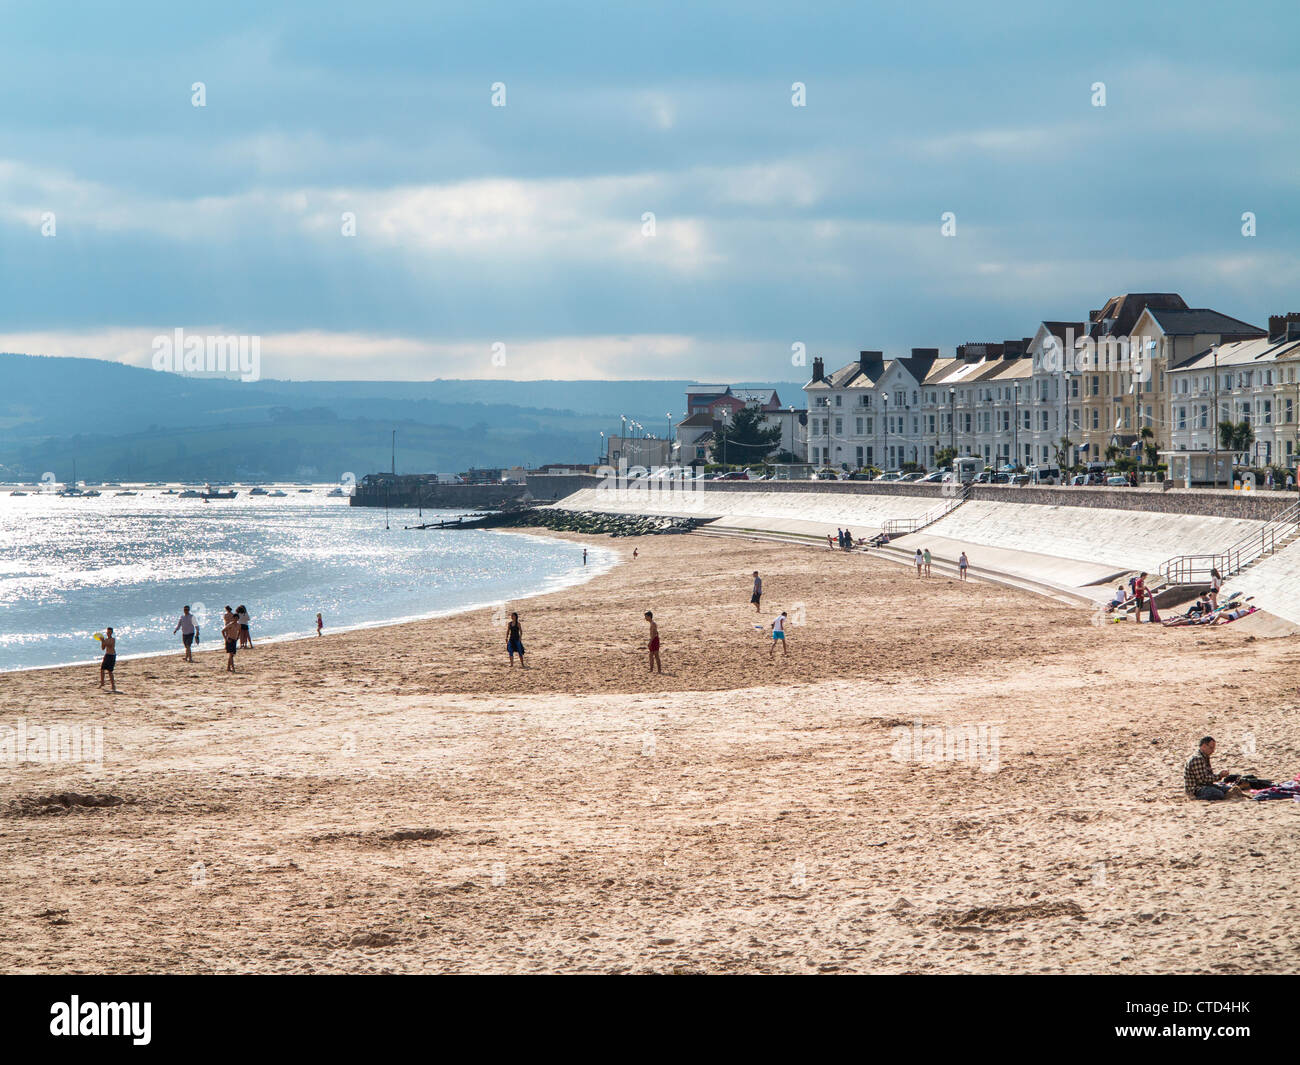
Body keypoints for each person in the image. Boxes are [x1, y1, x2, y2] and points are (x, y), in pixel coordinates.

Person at [1184, 736, 1245, 800]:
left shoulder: (1204, 757)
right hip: (1196, 789)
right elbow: (1203, 780)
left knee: (1229, 789)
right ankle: (1195, 798)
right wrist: (1219, 776)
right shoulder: (1197, 759)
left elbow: (1207, 777)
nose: (1213, 751)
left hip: (1206, 785)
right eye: (1211, 748)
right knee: (1218, 794)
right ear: (1204, 746)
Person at [98, 627, 117, 692]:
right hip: (107, 655)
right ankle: (102, 683)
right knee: (102, 669)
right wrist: (102, 642)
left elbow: (110, 645)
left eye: (109, 632)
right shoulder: (105, 640)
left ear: (111, 633)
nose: (108, 633)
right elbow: (103, 648)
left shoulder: (113, 639)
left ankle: (113, 685)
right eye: (107, 632)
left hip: (112, 655)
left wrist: (103, 641)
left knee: (110, 671)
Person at [222, 608, 241, 672]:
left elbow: (239, 632)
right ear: (233, 618)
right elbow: (223, 631)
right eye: (234, 618)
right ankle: (231, 667)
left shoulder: (238, 625)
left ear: (238, 619)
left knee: (232, 655)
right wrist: (226, 639)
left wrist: (238, 637)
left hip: (234, 640)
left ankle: (229, 667)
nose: (236, 619)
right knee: (231, 654)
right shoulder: (230, 624)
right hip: (230, 639)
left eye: (237, 618)